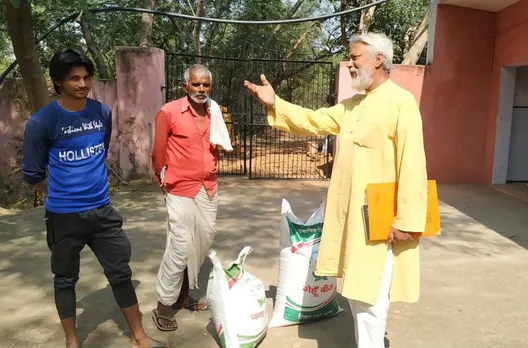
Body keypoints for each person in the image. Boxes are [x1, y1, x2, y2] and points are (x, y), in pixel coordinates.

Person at [244, 32, 428, 348]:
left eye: (355, 58)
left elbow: (413, 164)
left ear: (378, 59)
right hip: (351, 215)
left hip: (382, 219)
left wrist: (408, 221)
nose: (350, 66)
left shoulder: (401, 102)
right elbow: (314, 121)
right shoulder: (352, 105)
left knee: (370, 295)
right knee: (357, 288)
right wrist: (277, 103)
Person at [21, 48, 165, 348]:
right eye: (74, 78)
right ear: (58, 82)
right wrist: (63, 194)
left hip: (102, 212)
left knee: (120, 273)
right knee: (64, 279)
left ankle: (139, 338)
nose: (82, 84)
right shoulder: (42, 122)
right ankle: (72, 342)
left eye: (86, 77)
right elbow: (33, 174)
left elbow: (99, 149)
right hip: (63, 217)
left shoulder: (101, 113)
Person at [150, 64, 220, 331]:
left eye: (206, 85)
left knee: (202, 242)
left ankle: (182, 295)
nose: (201, 89)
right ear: (185, 86)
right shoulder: (168, 112)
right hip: (179, 188)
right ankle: (164, 305)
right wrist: (164, 184)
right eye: (196, 84)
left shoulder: (216, 112)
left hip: (208, 187)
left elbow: (221, 144)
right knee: (179, 247)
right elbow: (158, 155)